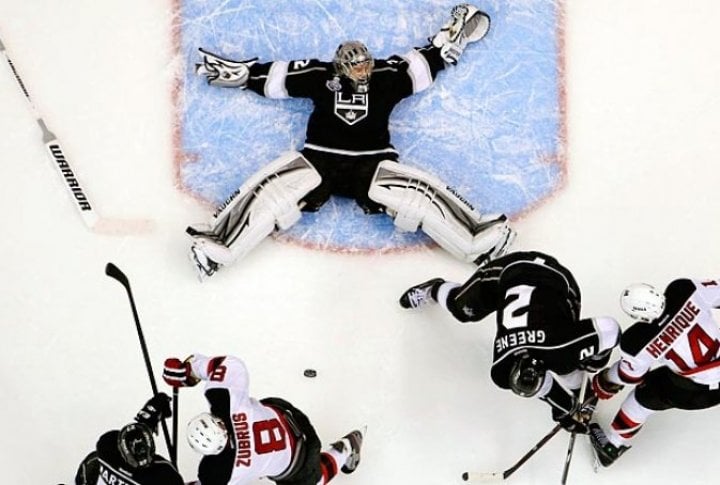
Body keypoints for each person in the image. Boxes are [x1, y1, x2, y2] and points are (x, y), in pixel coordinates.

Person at [186, 3, 515, 280]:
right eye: (354, 67)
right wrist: (245, 75)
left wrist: (447, 42)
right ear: (340, 66)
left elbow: (423, 63)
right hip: (320, 159)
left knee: (416, 197)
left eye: (365, 65)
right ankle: (219, 244)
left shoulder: (386, 76)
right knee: (274, 191)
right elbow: (280, 77)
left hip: (371, 164)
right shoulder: (320, 75)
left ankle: (475, 237)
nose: (362, 72)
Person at [399, 250, 621, 433]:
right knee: (464, 310)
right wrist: (568, 404)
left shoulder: (547, 351)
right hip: (519, 282)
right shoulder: (503, 369)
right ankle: (436, 289)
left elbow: (610, 330)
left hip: (547, 280)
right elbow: (542, 387)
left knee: (570, 360)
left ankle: (434, 288)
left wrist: (590, 370)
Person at [162, 353, 365, 485]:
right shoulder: (223, 400)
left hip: (301, 454)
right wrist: (189, 370)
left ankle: (347, 447)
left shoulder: (220, 472)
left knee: (313, 480)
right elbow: (230, 365)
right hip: (287, 414)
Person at [588, 278, 720, 467]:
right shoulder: (684, 289)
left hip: (697, 393)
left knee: (642, 398)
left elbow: (629, 376)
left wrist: (605, 380)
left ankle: (612, 445)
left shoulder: (638, 340)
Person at [75, 392, 184, 485]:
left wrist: (147, 417)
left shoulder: (107, 447)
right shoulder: (166, 476)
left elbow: (131, 437)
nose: (143, 463)